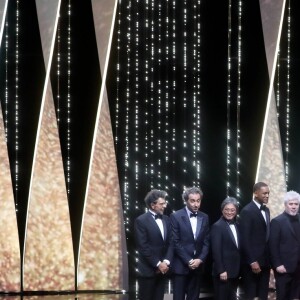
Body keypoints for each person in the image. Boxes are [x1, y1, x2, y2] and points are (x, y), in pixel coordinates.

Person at [170, 186, 210, 300]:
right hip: (181, 265)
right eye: (192, 201)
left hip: (198, 266)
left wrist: (200, 259)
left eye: (198, 201)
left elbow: (207, 241)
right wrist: (189, 260)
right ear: (186, 200)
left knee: (194, 297)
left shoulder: (205, 217)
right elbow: (175, 241)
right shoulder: (175, 216)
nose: (196, 204)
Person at [134, 189, 173, 300]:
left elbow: (171, 243)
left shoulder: (167, 219)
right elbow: (143, 246)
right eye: (161, 204)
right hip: (147, 271)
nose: (164, 206)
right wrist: (157, 264)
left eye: (165, 203)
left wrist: (166, 262)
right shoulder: (141, 220)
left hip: (163, 271)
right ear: (152, 205)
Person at [239, 181, 271, 300]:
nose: (267, 196)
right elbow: (244, 239)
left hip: (266, 261)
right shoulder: (247, 211)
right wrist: (252, 261)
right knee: (250, 294)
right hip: (252, 263)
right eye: (264, 193)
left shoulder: (266, 210)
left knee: (263, 294)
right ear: (256, 193)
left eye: (268, 193)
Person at [269, 190, 300, 300]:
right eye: (291, 204)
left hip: (298, 267)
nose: (293, 207)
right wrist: (277, 264)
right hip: (284, 268)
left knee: (296, 296)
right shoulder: (277, 221)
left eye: (296, 204)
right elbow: (273, 245)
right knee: (283, 296)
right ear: (285, 204)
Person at [211, 197, 240, 300]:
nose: (229, 212)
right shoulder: (217, 226)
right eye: (226, 209)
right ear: (222, 210)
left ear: (236, 211)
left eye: (232, 210)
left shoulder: (237, 225)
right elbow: (216, 251)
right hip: (223, 272)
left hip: (234, 272)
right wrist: (221, 270)